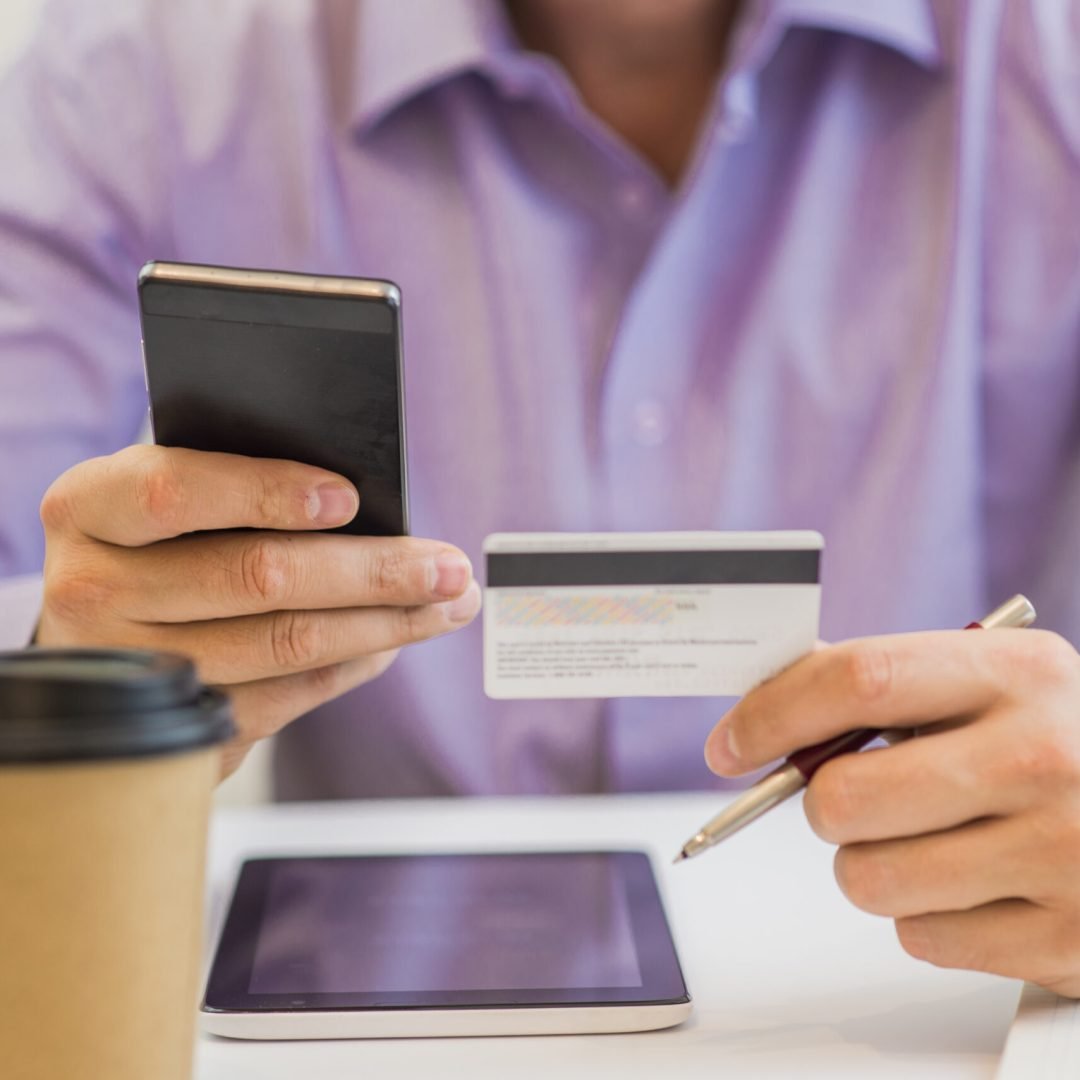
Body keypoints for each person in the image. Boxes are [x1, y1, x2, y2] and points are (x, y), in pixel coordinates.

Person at [1, 0, 1079, 994]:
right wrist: (63, 703)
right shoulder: (140, 71)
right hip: (368, 998)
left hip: (929, 990)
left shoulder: (1051, 51)